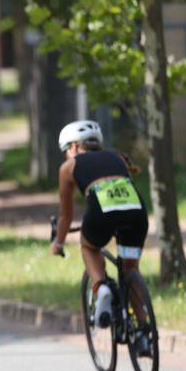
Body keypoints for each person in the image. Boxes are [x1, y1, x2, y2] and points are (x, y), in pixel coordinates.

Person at [50, 120, 151, 355]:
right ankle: (144, 333)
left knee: (89, 247)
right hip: (136, 214)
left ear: (74, 147)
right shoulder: (118, 158)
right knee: (130, 270)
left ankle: (100, 286)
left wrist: (58, 243)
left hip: (102, 214)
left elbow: (66, 216)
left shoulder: (69, 167)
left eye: (66, 150)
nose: (66, 155)